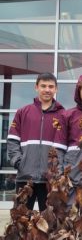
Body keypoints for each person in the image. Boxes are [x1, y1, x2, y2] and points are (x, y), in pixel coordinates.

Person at [7, 72, 64, 211]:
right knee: (21, 222)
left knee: (50, 224)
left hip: (50, 180)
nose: (47, 89)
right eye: (43, 86)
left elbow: (65, 146)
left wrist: (58, 169)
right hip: (26, 179)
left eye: (51, 86)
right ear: (36, 87)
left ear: (56, 89)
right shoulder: (23, 112)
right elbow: (13, 141)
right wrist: (18, 162)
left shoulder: (63, 115)